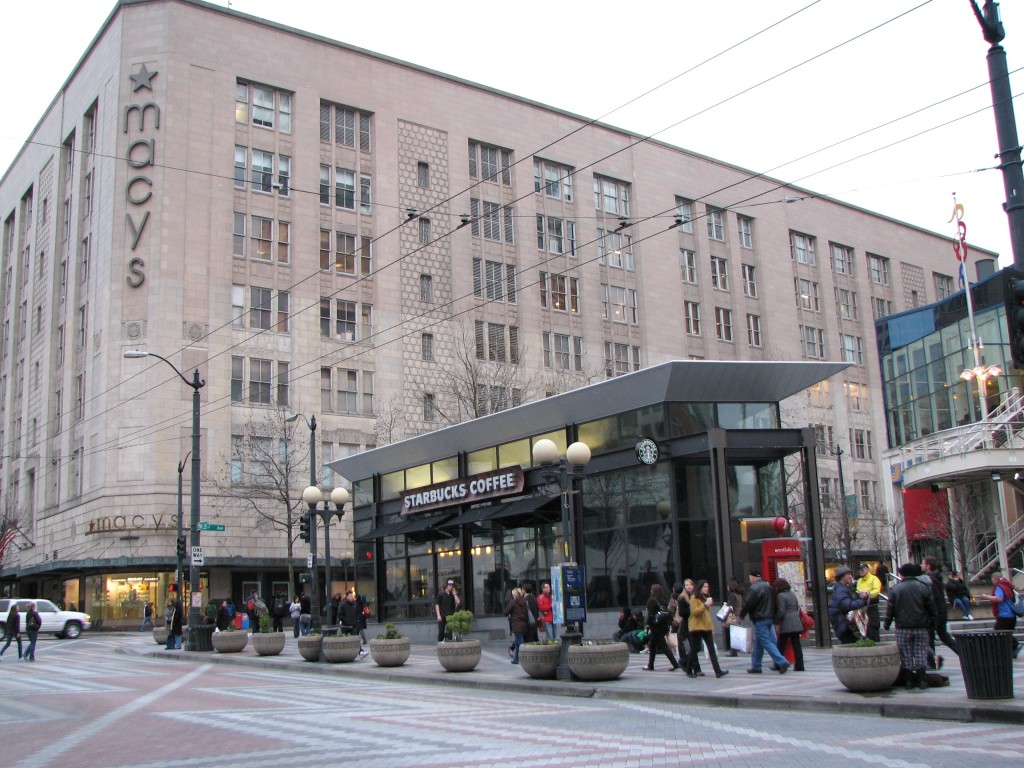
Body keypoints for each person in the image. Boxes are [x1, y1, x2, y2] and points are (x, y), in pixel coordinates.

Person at [884, 562, 938, 690]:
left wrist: (887, 623)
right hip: (921, 626)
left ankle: (908, 681)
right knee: (921, 653)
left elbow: (890, 609)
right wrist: (933, 622)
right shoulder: (923, 587)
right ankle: (922, 681)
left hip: (902, 627)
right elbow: (931, 607)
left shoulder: (896, 589)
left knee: (906, 654)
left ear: (902, 574)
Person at [740, 568, 789, 674]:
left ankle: (782, 661)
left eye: (750, 579)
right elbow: (775, 603)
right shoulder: (769, 587)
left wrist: (741, 615)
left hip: (760, 618)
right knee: (759, 642)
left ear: (753, 578)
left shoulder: (754, 588)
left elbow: (748, 604)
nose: (750, 581)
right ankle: (756, 666)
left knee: (766, 642)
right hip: (769, 618)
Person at [919, 556, 958, 667]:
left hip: (935, 613)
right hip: (940, 611)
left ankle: (931, 662)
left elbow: (933, 597)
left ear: (928, 566)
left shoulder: (930, 579)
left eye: (923, 563)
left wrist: (930, 613)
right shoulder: (936, 578)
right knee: (943, 635)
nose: (921, 565)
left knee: (930, 636)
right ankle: (963, 654)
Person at [686, 580, 729, 678]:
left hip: (706, 627)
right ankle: (688, 669)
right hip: (697, 627)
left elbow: (706, 614)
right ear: (700, 588)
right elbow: (694, 612)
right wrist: (705, 605)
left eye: (707, 587)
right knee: (694, 649)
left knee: (711, 649)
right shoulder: (694, 597)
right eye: (704, 587)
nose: (706, 589)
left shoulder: (706, 597)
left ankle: (717, 671)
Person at [976, 569, 1022, 659]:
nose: (992, 582)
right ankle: (1012, 651)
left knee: (998, 633)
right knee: (1006, 634)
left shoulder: (999, 586)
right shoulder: (1008, 585)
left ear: (995, 579)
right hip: (1012, 616)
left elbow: (999, 598)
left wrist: (986, 597)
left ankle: (1014, 646)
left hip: (1004, 615)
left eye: (992, 580)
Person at [827, 566, 868, 644]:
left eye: (851, 574)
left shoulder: (842, 588)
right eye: (848, 574)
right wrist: (862, 601)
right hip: (844, 626)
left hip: (845, 625)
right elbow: (847, 606)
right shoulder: (840, 590)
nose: (851, 577)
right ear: (841, 577)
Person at [644, 583, 680, 672]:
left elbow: (650, 615)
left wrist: (647, 625)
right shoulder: (663, 600)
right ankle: (650, 665)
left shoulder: (651, 601)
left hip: (655, 627)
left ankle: (675, 664)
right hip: (663, 626)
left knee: (663, 646)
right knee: (652, 645)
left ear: (653, 591)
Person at [773, 578, 804, 672]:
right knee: (797, 645)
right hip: (796, 622)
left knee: (780, 645)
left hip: (787, 623)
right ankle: (799, 665)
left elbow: (781, 611)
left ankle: (779, 664)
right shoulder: (792, 594)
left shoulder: (780, 596)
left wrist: (775, 620)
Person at [856, 562, 882, 642]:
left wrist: (868, 594)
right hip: (862, 606)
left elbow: (876, 590)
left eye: (862, 569)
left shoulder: (874, 578)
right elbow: (857, 590)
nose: (860, 571)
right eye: (859, 570)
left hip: (871, 605)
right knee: (863, 628)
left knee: (873, 626)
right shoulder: (859, 580)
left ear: (867, 569)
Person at [504, 587, 529, 664]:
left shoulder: (513, 602)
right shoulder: (525, 601)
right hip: (524, 623)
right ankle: (516, 659)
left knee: (521, 642)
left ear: (514, 594)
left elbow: (506, 612)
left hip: (516, 624)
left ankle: (525, 657)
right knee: (517, 642)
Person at [674, 579, 695, 667]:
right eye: (686, 585)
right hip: (686, 624)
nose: (689, 586)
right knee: (693, 646)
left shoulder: (694, 596)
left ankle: (688, 663)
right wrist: (691, 610)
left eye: (690, 584)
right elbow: (681, 613)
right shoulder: (682, 598)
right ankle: (687, 663)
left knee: (694, 646)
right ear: (684, 587)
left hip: (694, 624)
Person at [723, 578, 745, 657]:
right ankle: (734, 650)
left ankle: (733, 650)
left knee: (732, 633)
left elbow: (730, 607)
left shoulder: (732, 595)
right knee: (735, 633)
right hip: (738, 614)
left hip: (732, 615)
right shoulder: (739, 595)